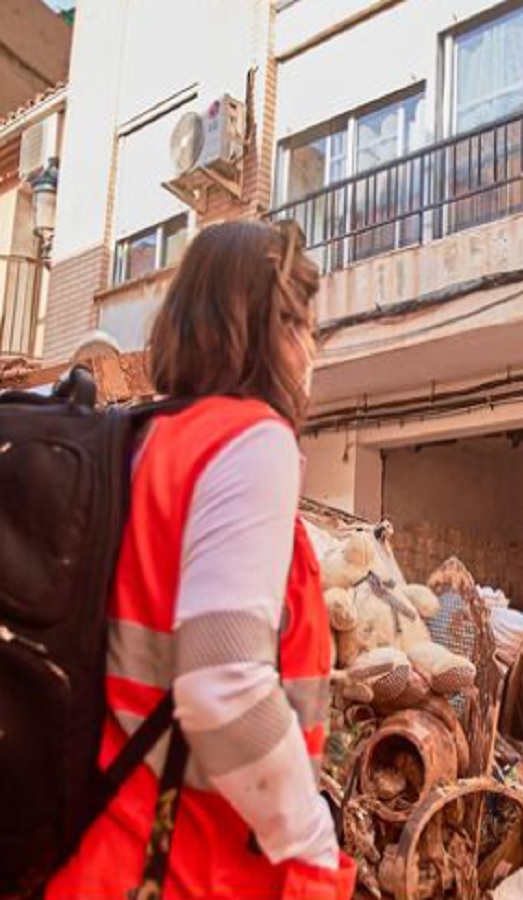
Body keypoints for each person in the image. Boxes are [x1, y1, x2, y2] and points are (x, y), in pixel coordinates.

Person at [46, 221, 357, 900]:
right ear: (264, 328)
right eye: (303, 328)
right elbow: (224, 681)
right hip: (182, 867)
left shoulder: (143, 443)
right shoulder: (249, 441)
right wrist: (313, 844)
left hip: (97, 853)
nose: (311, 351)